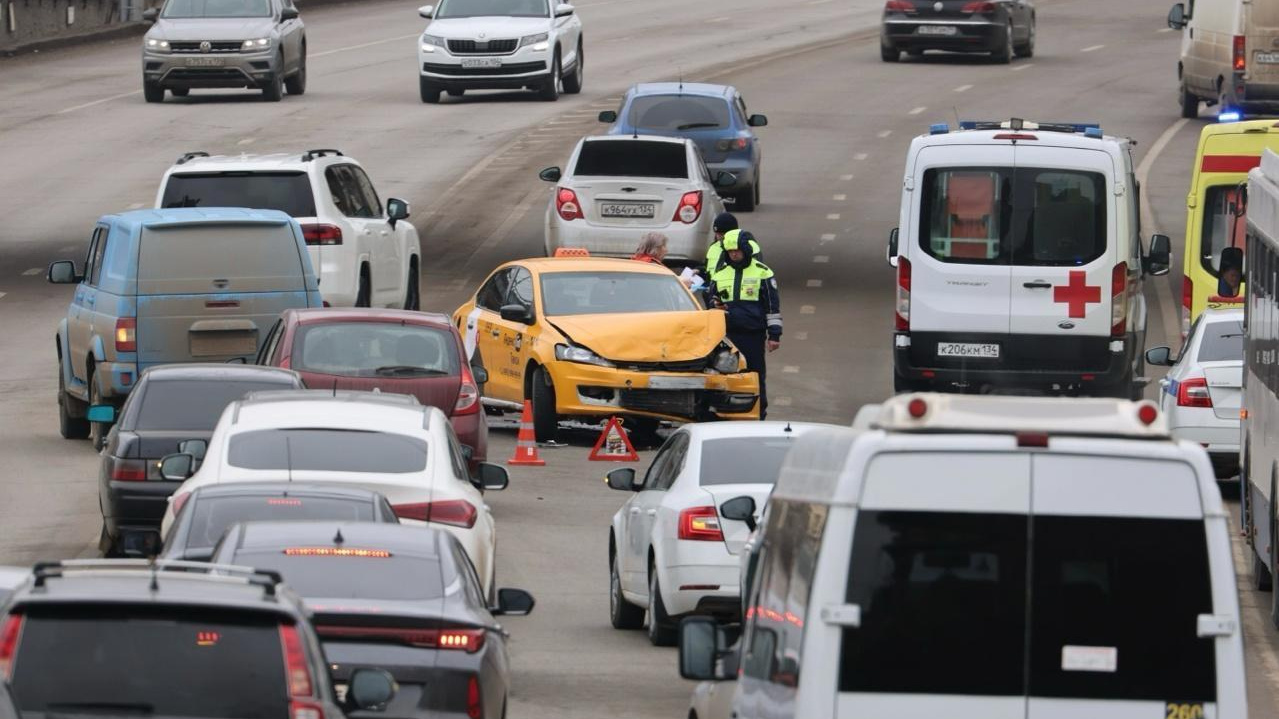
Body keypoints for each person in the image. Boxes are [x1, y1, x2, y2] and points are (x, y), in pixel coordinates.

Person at [707, 229, 781, 419]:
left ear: (745, 250)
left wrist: (774, 335)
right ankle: (723, 413)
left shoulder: (763, 273)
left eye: (737, 250)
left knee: (755, 377)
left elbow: (772, 307)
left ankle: (758, 414)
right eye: (730, 251)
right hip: (727, 336)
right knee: (723, 377)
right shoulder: (720, 274)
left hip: (752, 335)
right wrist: (715, 306)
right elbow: (710, 304)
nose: (734, 254)